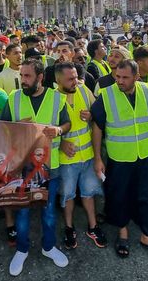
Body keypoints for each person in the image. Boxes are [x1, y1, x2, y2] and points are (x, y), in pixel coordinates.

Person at [91, 60, 148, 261]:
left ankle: (146, 236)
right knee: (119, 196)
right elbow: (98, 127)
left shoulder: (147, 91)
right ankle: (123, 233)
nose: (120, 81)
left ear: (137, 77)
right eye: (118, 76)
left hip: (143, 156)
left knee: (145, 196)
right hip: (119, 158)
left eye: (125, 77)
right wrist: (98, 158)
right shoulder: (106, 95)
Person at [2, 59, 71, 276]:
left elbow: (66, 123)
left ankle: (48, 247)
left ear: (40, 78)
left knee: (48, 212)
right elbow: (1, 128)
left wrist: (59, 130)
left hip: (50, 166)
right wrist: (15, 128)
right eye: (21, 76)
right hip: (22, 166)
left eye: (27, 76)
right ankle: (22, 249)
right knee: (22, 211)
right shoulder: (13, 98)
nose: (23, 80)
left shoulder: (56, 98)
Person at [54, 62, 107, 250]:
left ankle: (93, 226)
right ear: (58, 80)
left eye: (76, 77)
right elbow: (45, 130)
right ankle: (69, 228)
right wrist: (61, 144)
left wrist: (91, 115)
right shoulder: (52, 98)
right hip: (67, 160)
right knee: (68, 195)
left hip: (89, 155)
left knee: (89, 192)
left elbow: (97, 116)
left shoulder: (84, 90)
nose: (75, 81)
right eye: (70, 79)